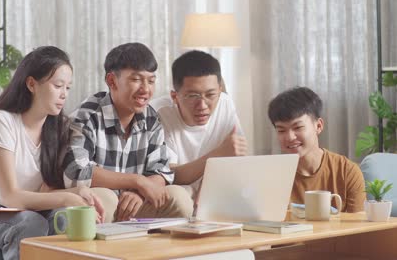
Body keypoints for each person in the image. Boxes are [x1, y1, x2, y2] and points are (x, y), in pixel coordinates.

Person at [0, 46, 104, 260]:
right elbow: (12, 197)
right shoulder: (2, 121)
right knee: (32, 223)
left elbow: (42, 194)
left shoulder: (59, 129)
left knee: (65, 220)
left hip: (25, 210)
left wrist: (78, 193)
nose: (64, 94)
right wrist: (66, 198)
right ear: (32, 84)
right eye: (58, 85)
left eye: (68, 88)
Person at [62, 42, 194, 222]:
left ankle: (152, 249)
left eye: (151, 80)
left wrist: (140, 193)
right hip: (103, 207)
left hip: (134, 204)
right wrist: (137, 182)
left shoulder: (150, 117)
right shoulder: (86, 116)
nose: (146, 89)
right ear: (111, 81)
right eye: (136, 79)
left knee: (179, 198)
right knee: (103, 199)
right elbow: (75, 172)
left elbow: (162, 170)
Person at [151, 50, 248, 199]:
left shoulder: (225, 102)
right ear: (174, 96)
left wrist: (210, 183)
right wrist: (218, 153)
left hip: (215, 189)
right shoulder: (158, 114)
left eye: (210, 95)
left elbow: (237, 160)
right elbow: (170, 175)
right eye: (192, 96)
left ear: (220, 91)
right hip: (175, 194)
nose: (202, 105)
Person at [267, 86, 365, 212]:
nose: (290, 137)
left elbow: (359, 227)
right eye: (281, 130)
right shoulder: (271, 175)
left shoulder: (346, 171)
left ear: (318, 126)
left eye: (298, 127)